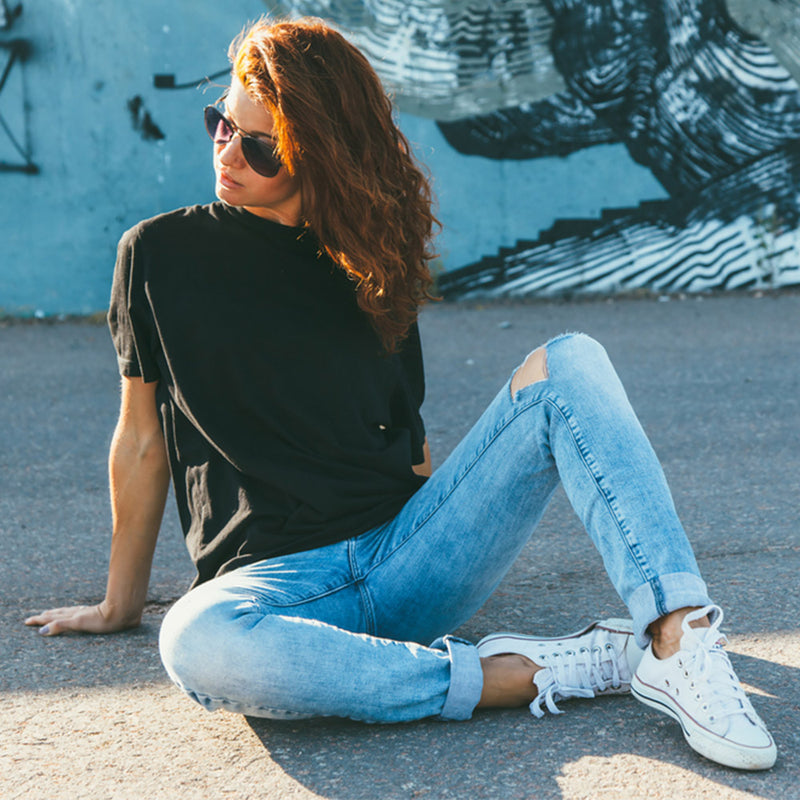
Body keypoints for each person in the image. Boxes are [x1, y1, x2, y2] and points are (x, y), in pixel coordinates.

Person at [25, 17, 775, 771]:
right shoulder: (158, 255)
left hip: (409, 561)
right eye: (222, 124)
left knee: (570, 362)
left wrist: (441, 529)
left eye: (260, 144)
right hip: (275, 587)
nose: (229, 152)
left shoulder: (365, 257)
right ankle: (530, 674)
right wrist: (120, 604)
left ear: (317, 150)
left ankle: (678, 641)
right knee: (194, 640)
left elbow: (406, 439)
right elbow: (141, 439)